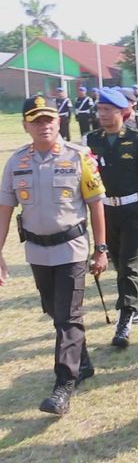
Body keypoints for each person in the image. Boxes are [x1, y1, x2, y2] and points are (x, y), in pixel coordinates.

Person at [0, 95, 108, 415]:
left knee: (67, 317)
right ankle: (83, 362)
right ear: (26, 126)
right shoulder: (16, 162)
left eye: (49, 119)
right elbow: (5, 209)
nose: (44, 125)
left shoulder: (79, 157)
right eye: (36, 120)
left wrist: (100, 249)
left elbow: (96, 204)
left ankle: (63, 384)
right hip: (37, 251)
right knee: (55, 312)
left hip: (72, 250)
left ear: (59, 122)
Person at [82, 89, 138, 348]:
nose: (102, 114)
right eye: (100, 109)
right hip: (105, 214)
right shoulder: (90, 140)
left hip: (134, 212)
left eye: (108, 110)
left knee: (128, 266)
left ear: (122, 112)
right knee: (120, 264)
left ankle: (124, 320)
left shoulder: (137, 139)